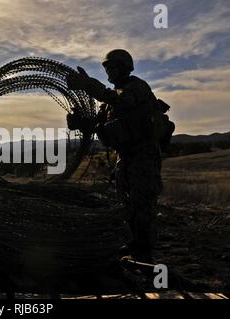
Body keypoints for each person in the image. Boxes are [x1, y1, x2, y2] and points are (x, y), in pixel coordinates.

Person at [66, 49, 164, 262]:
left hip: (143, 155)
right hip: (126, 156)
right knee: (125, 201)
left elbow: (123, 101)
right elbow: (97, 125)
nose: (108, 71)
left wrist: (88, 85)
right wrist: (79, 122)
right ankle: (132, 245)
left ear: (123, 68)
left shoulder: (135, 87)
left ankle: (144, 253)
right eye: (107, 67)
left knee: (143, 202)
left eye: (111, 67)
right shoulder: (110, 101)